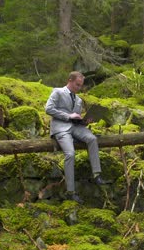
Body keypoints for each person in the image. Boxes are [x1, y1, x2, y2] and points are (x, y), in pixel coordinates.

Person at [45, 71, 106, 203]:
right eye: (77, 85)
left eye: (81, 85)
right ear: (70, 80)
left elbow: (76, 118)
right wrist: (68, 116)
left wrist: (84, 121)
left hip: (76, 127)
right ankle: (71, 191)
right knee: (70, 154)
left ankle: (96, 174)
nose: (79, 88)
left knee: (92, 138)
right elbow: (48, 109)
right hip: (61, 129)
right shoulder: (57, 92)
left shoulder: (78, 100)